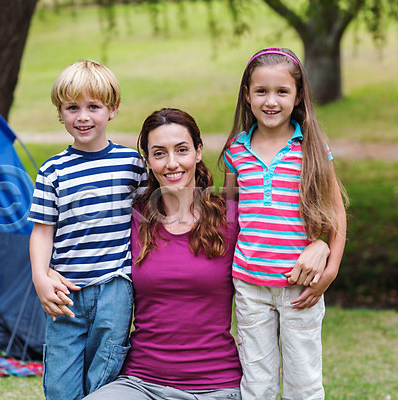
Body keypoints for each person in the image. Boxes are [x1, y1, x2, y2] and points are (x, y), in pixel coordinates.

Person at [84, 107, 243, 399]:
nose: (172, 163)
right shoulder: (131, 219)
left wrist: (321, 246)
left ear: (198, 151)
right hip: (141, 382)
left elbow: (282, 239)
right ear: (148, 161)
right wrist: (47, 274)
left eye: (181, 150)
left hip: (217, 386)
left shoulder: (231, 218)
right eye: (159, 153)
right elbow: (79, 247)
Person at [221, 47, 347, 399]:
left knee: (303, 382)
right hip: (250, 287)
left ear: (299, 95)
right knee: (256, 383)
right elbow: (232, 216)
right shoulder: (236, 150)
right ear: (247, 96)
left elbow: (336, 212)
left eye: (282, 91)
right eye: (261, 91)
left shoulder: (311, 146)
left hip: (300, 287)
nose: (271, 101)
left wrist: (331, 269)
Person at [27, 59, 146, 400]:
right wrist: (40, 276)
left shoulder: (131, 165)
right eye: (72, 107)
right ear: (60, 113)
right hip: (66, 291)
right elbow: (42, 231)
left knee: (105, 373)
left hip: (115, 287)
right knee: (60, 383)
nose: (82, 117)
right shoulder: (52, 171)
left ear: (113, 110)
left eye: (93, 106)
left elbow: (147, 219)